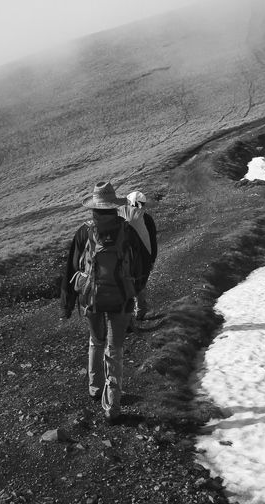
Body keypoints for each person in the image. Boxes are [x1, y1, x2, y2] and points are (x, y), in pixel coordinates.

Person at [60, 181, 144, 424]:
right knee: (115, 349)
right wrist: (135, 294)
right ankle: (112, 406)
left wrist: (66, 305)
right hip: (121, 299)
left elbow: (71, 269)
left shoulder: (84, 232)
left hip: (91, 299)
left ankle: (95, 388)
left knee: (96, 341)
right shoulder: (128, 231)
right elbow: (139, 267)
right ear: (114, 206)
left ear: (94, 207)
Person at [117, 190, 158, 319]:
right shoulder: (146, 218)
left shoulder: (120, 213)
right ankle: (140, 311)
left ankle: (126, 315)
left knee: (125, 283)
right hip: (143, 257)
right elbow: (152, 241)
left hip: (123, 258)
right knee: (141, 283)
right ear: (142, 204)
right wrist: (152, 259)